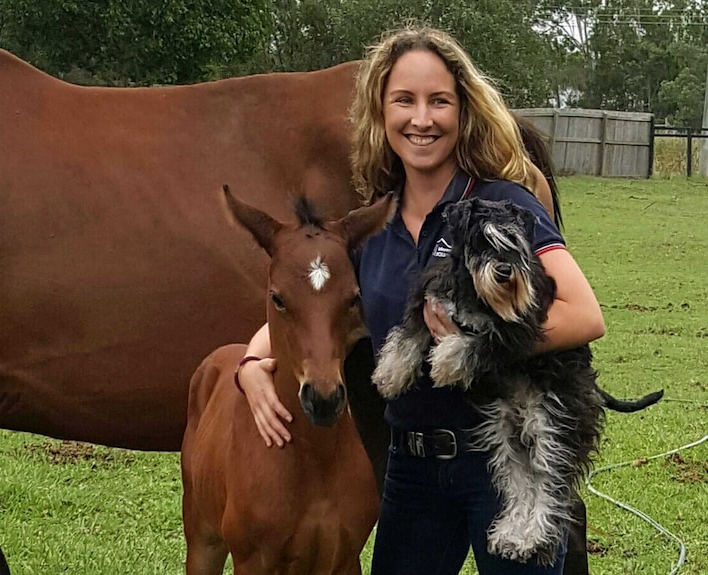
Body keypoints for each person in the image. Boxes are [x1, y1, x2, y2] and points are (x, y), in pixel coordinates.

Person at [235, 25, 605, 575]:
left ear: (463, 111)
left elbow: (584, 314)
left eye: (439, 101)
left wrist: (477, 345)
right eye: (403, 101)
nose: (422, 119)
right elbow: (319, 304)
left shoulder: (500, 206)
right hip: (411, 467)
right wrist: (249, 362)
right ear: (380, 113)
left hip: (505, 459)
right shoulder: (372, 223)